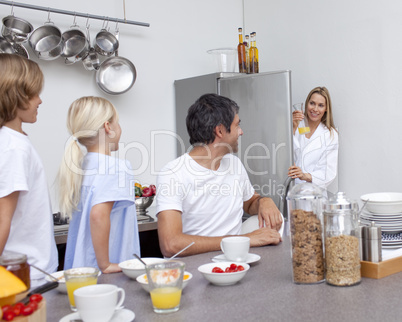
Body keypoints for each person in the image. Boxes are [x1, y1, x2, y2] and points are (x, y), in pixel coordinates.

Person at [156, 93, 282, 258]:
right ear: (220, 130)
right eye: (237, 125)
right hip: (193, 269)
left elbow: (250, 203)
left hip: (235, 260)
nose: (241, 132)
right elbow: (171, 244)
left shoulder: (234, 164)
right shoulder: (173, 173)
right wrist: (243, 240)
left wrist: (264, 201)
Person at [58, 96, 140, 273]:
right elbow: (98, 216)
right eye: (117, 123)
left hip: (79, 272)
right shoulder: (115, 167)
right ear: (108, 127)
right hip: (105, 275)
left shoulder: (80, 166)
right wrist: (106, 265)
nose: (120, 128)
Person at [0, 53, 58, 286]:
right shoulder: (14, 147)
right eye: (34, 93)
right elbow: (2, 217)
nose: (39, 101)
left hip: (31, 273)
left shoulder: (14, 142)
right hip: (28, 277)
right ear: (15, 95)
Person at [288, 86, 339, 189]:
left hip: (315, 194)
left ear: (326, 109)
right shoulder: (296, 124)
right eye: (312, 103)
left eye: (320, 105)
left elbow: (328, 173)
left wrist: (304, 176)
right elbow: (283, 156)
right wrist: (291, 128)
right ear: (307, 104)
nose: (315, 109)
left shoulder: (330, 135)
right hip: (291, 191)